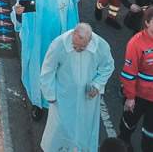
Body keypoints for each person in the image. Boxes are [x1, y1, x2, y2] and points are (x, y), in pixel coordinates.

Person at [11, 0, 78, 121]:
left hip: (59, 41)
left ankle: (55, 102)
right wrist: (18, 14)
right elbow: (20, 14)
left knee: (58, 72)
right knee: (39, 72)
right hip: (39, 43)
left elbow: (70, 14)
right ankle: (38, 103)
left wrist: (73, 37)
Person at [39, 23, 115, 152]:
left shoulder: (101, 46)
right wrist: (50, 94)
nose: (78, 49)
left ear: (90, 40)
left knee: (84, 128)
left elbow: (108, 66)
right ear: (73, 34)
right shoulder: (59, 44)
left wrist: (97, 85)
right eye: (75, 46)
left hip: (87, 98)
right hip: (63, 96)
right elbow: (48, 70)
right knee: (60, 127)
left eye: (83, 47)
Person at [118, 6, 153, 152]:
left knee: (152, 133)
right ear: (147, 23)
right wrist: (130, 98)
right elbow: (129, 74)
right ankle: (124, 145)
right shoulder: (135, 44)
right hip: (138, 95)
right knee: (128, 126)